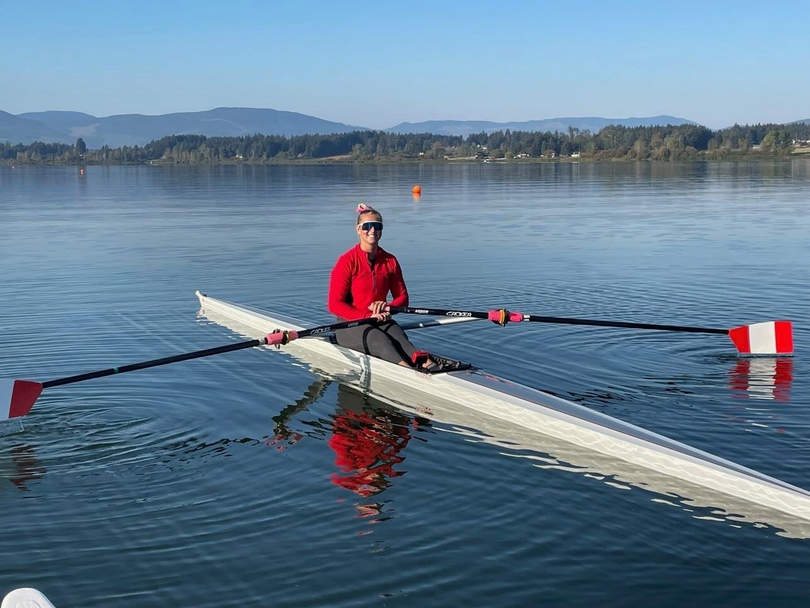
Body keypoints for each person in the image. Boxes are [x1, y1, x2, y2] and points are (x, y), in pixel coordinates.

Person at [328, 204, 435, 368]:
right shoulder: (347, 261)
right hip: (349, 323)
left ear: (381, 230)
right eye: (367, 226)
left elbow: (403, 298)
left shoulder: (390, 261)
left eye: (377, 226)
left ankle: (428, 366)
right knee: (380, 341)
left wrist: (388, 308)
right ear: (358, 229)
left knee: (404, 343)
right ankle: (409, 373)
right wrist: (365, 316)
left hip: (381, 319)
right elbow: (334, 305)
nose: (372, 230)